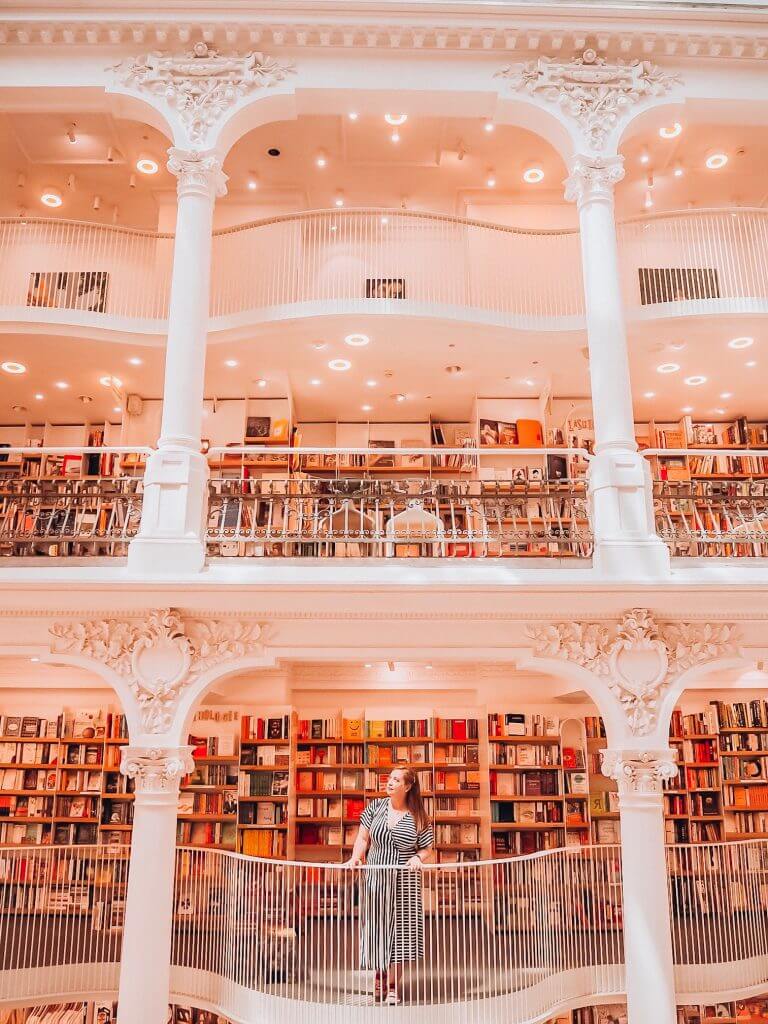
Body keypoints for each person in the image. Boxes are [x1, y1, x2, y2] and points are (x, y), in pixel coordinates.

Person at [345, 767, 434, 1005]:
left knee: (401, 934)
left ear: (407, 786)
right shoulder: (375, 807)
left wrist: (417, 858)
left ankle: (393, 986)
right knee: (377, 930)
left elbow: (427, 849)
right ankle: (379, 977)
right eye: (389, 779)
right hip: (376, 879)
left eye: (396, 780)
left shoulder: (419, 816)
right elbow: (363, 838)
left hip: (405, 882)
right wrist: (356, 857)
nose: (390, 782)